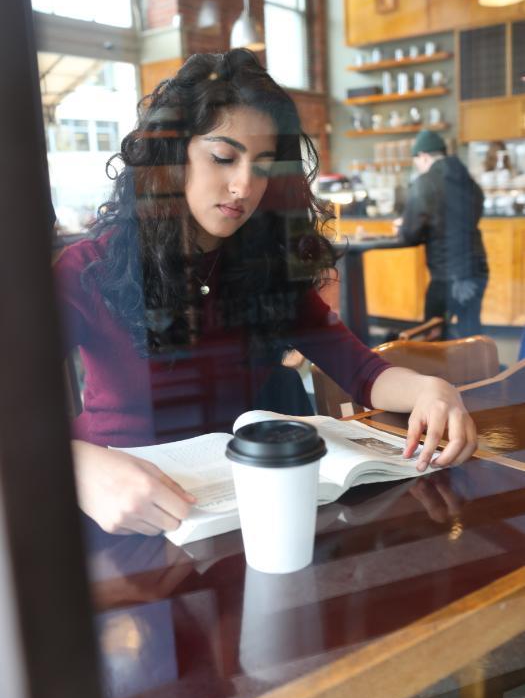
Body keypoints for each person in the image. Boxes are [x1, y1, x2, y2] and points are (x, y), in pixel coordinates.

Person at [54, 50, 478, 537]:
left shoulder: (267, 267)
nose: (243, 186)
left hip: (242, 515)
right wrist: (78, 466)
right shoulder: (91, 269)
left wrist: (430, 389)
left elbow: (361, 372)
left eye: (264, 165)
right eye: (223, 157)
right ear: (174, 155)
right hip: (122, 520)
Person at [397, 130, 488, 338]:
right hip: (477, 269)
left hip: (448, 275)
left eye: (417, 162)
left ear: (424, 156)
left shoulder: (425, 183)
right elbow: (472, 213)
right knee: (471, 332)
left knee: (433, 333)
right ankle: (477, 369)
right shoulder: (468, 180)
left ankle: (440, 370)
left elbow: (409, 234)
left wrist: (402, 226)